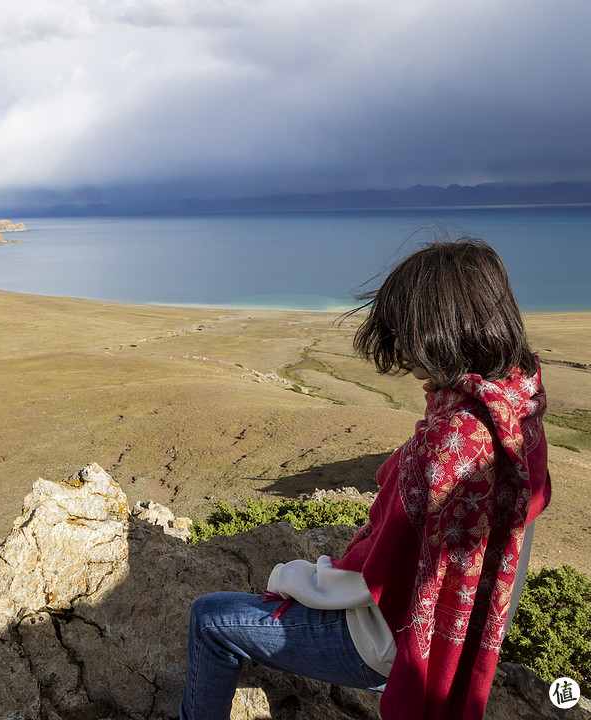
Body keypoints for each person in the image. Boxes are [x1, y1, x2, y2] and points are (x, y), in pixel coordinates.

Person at [179, 237, 552, 720]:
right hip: (474, 629)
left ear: (447, 327)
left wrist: (295, 578)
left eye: (407, 329)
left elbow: (370, 581)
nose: (399, 346)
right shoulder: (518, 402)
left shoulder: (447, 444)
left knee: (211, 618)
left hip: (385, 644)